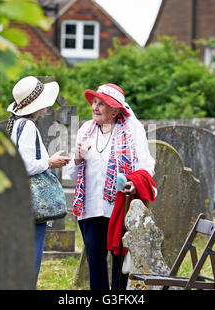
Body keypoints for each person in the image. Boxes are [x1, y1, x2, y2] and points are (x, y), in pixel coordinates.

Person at [68, 83, 155, 290]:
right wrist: (77, 158)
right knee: (95, 263)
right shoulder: (85, 130)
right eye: (94, 102)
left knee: (120, 265)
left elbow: (146, 165)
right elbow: (72, 173)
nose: (94, 107)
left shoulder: (133, 129)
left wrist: (134, 183)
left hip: (119, 207)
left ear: (115, 110)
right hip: (89, 208)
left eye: (102, 103)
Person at [5, 76, 71, 286]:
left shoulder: (16, 124)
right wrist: (50, 162)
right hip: (33, 206)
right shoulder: (28, 126)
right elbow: (25, 165)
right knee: (30, 260)